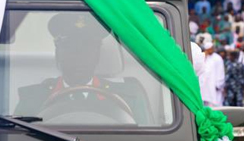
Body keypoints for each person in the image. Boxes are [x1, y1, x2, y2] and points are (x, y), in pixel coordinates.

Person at [14, 13, 150, 124]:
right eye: (71, 48)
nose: (79, 56)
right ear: (58, 53)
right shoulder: (33, 99)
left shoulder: (128, 95)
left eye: (88, 48)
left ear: (98, 54)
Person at [200, 41, 225, 107]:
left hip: (215, 86)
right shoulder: (204, 57)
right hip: (205, 86)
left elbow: (220, 72)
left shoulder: (217, 58)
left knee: (217, 104)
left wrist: (218, 84)